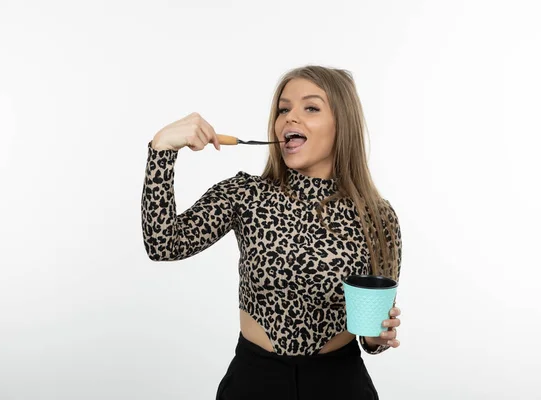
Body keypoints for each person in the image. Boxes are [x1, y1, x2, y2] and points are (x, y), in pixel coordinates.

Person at [141, 65, 402, 400]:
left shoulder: (377, 216)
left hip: (341, 385)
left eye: (310, 107)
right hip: (254, 383)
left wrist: (376, 338)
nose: (290, 118)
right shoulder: (245, 194)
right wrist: (162, 151)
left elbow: (373, 333)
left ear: (343, 124)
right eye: (283, 109)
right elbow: (163, 244)